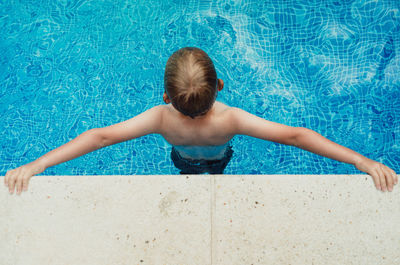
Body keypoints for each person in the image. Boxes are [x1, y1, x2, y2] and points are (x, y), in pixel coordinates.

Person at [4, 47, 398, 195]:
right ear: (220, 87)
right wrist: (362, 161)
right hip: (219, 154)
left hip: (183, 158)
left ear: (166, 97)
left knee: (189, 174)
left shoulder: (160, 119)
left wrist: (39, 164)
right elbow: (296, 136)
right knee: (217, 171)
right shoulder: (232, 120)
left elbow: (100, 137)